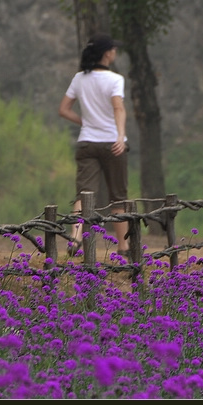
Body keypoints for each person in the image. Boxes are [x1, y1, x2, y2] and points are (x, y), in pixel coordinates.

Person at [58, 34, 129, 257]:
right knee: (118, 196)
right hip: (111, 143)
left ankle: (75, 236)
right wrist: (120, 135)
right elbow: (118, 108)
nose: (115, 52)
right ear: (107, 53)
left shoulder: (79, 78)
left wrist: (85, 122)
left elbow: (64, 109)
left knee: (83, 193)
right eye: (113, 49)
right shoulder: (115, 79)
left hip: (87, 142)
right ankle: (123, 246)